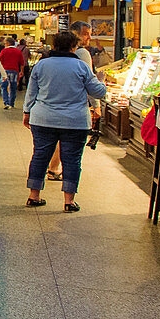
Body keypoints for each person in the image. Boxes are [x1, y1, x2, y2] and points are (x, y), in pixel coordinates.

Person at [23, 30, 106, 212]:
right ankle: (69, 201)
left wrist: (27, 112)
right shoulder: (81, 67)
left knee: (40, 157)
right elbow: (98, 92)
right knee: (72, 160)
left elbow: (32, 91)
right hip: (74, 121)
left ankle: (33, 196)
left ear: (54, 46)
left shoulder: (41, 65)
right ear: (73, 47)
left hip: (43, 118)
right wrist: (102, 81)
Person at [0, 40, 25, 109]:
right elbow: (22, 63)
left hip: (5, 71)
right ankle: (11, 103)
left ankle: (6, 102)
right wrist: (21, 71)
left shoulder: (4, 51)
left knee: (4, 87)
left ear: (8, 43)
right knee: (13, 87)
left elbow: (0, 61)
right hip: (14, 71)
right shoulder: (18, 51)